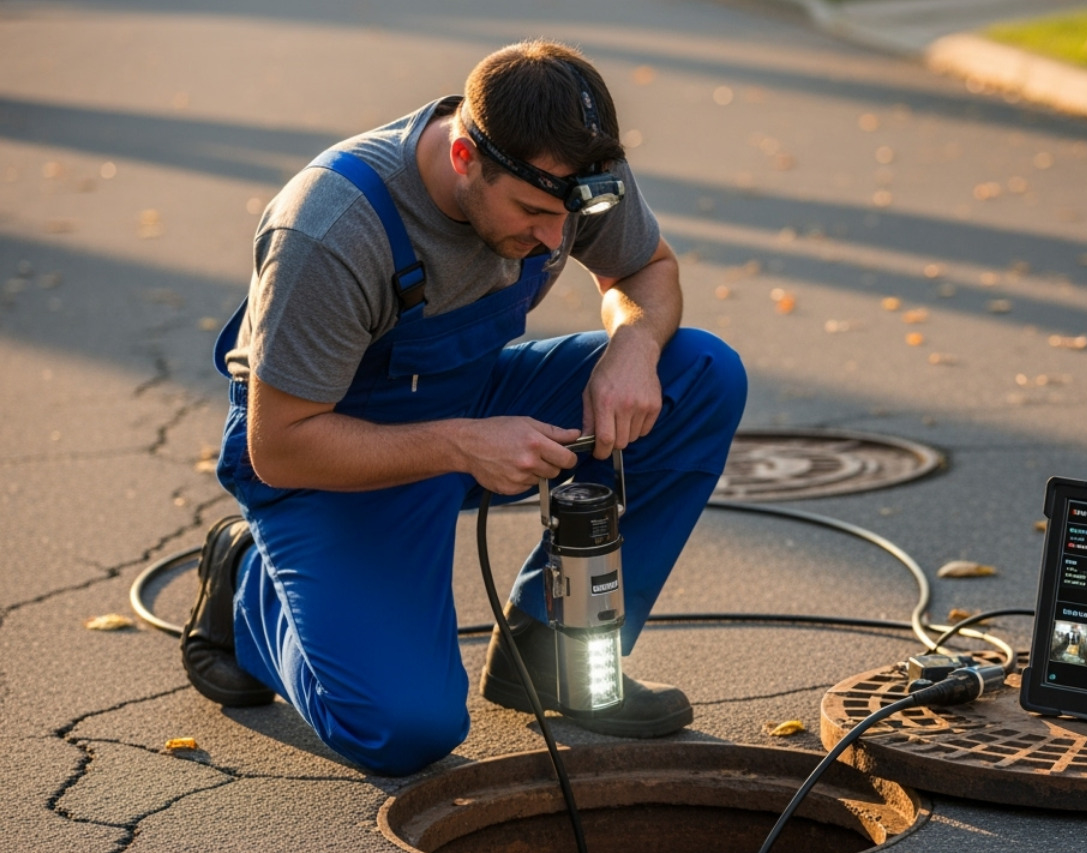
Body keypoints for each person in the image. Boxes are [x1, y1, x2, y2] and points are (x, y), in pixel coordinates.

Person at [180, 40, 748, 776]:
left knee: (698, 372)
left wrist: (634, 350)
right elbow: (280, 445)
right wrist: (458, 445)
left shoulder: (573, 168)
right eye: (533, 214)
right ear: (462, 159)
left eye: (564, 218)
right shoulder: (329, 227)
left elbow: (645, 265)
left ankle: (550, 654)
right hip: (333, 449)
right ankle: (249, 582)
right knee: (404, 731)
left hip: (472, 397)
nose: (554, 238)